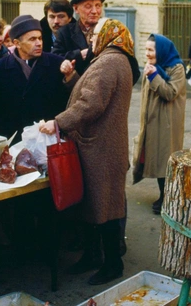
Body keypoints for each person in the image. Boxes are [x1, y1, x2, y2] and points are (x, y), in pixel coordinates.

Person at [40, 18, 140, 286]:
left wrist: (58, 122)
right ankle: (94, 256)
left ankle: (111, 265)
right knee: (97, 206)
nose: (91, 39)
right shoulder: (116, 58)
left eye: (95, 35)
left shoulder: (109, 62)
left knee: (104, 208)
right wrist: (72, 78)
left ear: (108, 35)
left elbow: (91, 104)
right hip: (102, 146)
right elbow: (92, 93)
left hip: (100, 149)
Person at [0, 14, 69, 141]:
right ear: (17, 43)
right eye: (32, 39)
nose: (38, 43)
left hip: (49, 141)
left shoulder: (56, 64)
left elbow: (66, 103)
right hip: (14, 142)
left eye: (40, 38)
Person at [132, 33, 186, 215]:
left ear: (161, 50)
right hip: (153, 122)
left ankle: (168, 197)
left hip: (168, 123)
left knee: (166, 160)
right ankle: (164, 195)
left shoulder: (176, 68)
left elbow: (170, 93)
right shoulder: (153, 66)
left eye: (151, 49)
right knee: (156, 159)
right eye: (145, 49)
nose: (147, 53)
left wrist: (154, 75)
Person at [52, 0, 105, 75]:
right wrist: (79, 55)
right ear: (76, 8)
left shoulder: (110, 31)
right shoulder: (65, 32)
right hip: (75, 86)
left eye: (98, 6)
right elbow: (54, 59)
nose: (94, 11)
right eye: (88, 6)